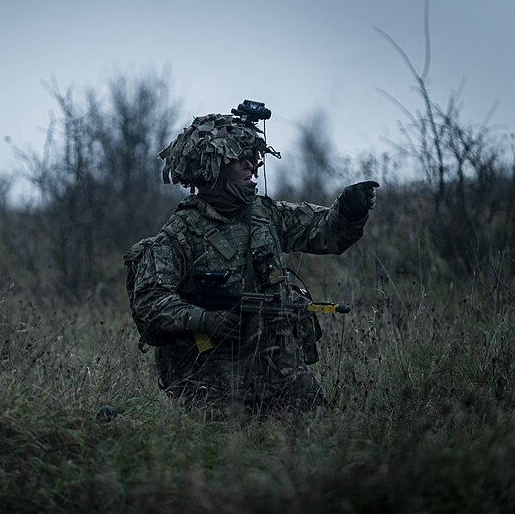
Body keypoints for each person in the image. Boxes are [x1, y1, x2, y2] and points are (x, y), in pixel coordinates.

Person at [126, 104, 377, 416]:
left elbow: (324, 232)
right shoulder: (180, 234)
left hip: (278, 370)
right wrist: (206, 319)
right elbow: (149, 302)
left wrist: (350, 209)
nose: (252, 165)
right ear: (212, 170)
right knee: (227, 447)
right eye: (239, 159)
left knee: (321, 427)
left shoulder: (264, 214)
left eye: (253, 157)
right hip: (213, 378)